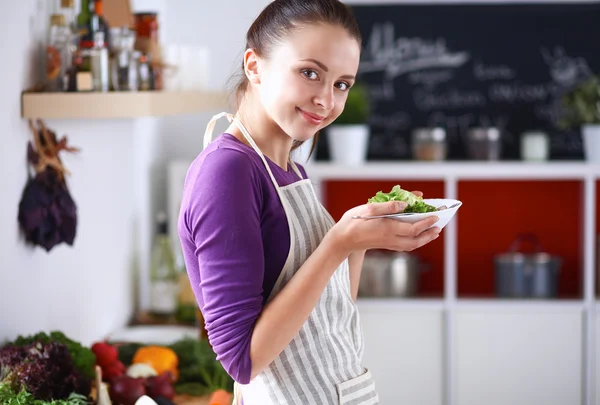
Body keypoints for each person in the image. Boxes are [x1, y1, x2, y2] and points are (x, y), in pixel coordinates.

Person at [177, 0, 441, 403]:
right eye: (310, 73)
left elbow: (329, 315)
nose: (326, 99)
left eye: (341, 84)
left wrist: (363, 236)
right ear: (254, 66)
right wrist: (340, 242)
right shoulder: (227, 173)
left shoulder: (290, 169)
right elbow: (242, 360)